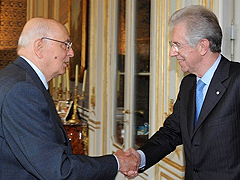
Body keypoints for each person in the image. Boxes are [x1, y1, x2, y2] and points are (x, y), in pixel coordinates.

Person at [0, 17, 138, 180]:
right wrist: (117, 162)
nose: (71, 53)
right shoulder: (23, 90)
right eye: (65, 45)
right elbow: (57, 169)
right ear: (39, 47)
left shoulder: (13, 77)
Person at [124, 5, 240, 180]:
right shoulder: (188, 84)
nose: (172, 53)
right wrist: (140, 157)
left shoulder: (237, 81)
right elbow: (171, 132)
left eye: (177, 45)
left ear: (203, 46)